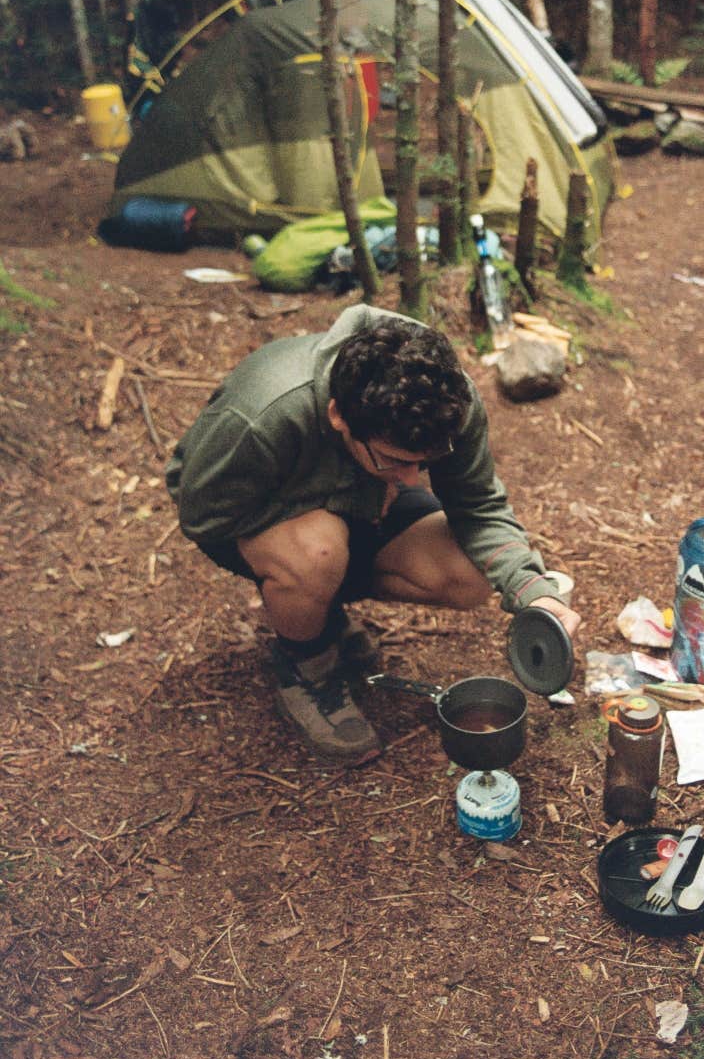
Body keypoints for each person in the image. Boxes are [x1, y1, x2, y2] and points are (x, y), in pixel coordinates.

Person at [166, 306, 580, 766]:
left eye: (422, 463)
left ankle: (317, 603)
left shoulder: (448, 400)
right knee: (318, 551)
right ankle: (306, 665)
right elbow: (200, 513)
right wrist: (342, 510)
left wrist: (533, 592)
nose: (410, 479)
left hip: (359, 503)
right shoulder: (265, 412)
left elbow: (478, 504)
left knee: (469, 572)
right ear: (338, 416)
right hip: (271, 519)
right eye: (395, 460)